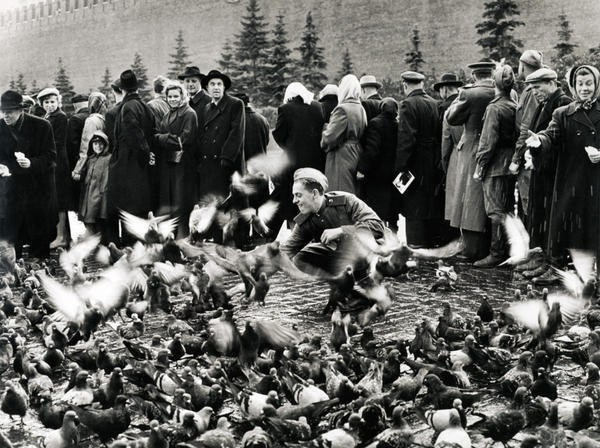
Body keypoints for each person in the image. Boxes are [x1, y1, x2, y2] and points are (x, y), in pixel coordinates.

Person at [526, 65, 600, 283]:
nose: (585, 88)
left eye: (589, 84)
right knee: (567, 224)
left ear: (597, 85)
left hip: (597, 181)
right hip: (572, 178)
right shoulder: (563, 114)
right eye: (580, 84)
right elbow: (551, 135)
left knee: (595, 226)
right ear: (573, 86)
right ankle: (561, 270)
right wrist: (539, 141)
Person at [280, 167, 384, 278]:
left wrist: (341, 230)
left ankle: (375, 268)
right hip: (343, 257)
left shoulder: (346, 201)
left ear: (314, 194)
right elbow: (287, 249)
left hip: (369, 250)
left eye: (298, 195)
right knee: (301, 258)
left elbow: (377, 227)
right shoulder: (305, 220)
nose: (294, 200)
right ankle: (344, 274)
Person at [519, 68, 572, 277]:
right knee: (540, 215)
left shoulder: (562, 103)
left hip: (554, 172)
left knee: (552, 218)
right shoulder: (545, 104)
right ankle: (541, 257)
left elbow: (560, 141)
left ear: (552, 83)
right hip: (542, 169)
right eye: (531, 89)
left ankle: (554, 263)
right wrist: (531, 154)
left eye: (537, 87)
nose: (535, 92)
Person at [446, 61, 496, 261]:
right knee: (491, 199)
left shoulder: (469, 94)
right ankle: (492, 247)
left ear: (474, 75)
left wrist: (459, 98)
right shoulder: (503, 91)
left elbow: (452, 118)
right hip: (496, 150)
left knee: (469, 199)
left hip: (472, 148)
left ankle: (472, 249)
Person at [0, 90, 57, 258]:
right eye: (3, 112)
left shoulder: (41, 126)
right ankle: (14, 265)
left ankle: (40, 265)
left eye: (9, 112)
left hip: (38, 185)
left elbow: (51, 156)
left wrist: (32, 163)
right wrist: (2, 166)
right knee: (12, 229)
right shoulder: (0, 127)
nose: (5, 115)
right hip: (12, 186)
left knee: (39, 229)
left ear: (21, 110)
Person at [473, 65, 518, 267]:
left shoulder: (494, 108)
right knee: (507, 208)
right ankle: (508, 249)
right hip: (510, 163)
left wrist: (480, 165)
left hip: (495, 164)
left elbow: (487, 141)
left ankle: (497, 252)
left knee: (495, 210)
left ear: (495, 84)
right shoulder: (514, 105)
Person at [106, 70, 157, 245]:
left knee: (128, 209)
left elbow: (134, 136)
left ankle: (130, 249)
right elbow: (151, 134)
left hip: (128, 166)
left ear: (122, 89)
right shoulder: (145, 106)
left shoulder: (127, 108)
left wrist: (143, 156)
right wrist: (148, 155)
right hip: (140, 167)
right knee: (139, 209)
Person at [395, 70, 443, 248]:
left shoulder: (408, 104)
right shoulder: (434, 103)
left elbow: (406, 140)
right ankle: (431, 242)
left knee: (413, 203)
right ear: (422, 85)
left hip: (415, 162)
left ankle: (416, 244)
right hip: (433, 161)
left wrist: (400, 167)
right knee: (430, 201)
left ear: (405, 85)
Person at [271, 82, 326, 232]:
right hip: (316, 161)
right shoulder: (317, 107)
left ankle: (295, 232)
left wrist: (289, 147)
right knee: (312, 195)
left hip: (294, 163)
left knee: (293, 198)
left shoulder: (285, 109)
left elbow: (278, 134)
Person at [196, 69, 245, 199]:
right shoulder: (206, 108)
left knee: (230, 205)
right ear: (207, 88)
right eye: (212, 84)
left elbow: (237, 133)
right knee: (212, 205)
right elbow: (203, 136)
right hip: (209, 165)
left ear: (224, 87)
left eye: (219, 84)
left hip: (226, 165)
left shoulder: (235, 104)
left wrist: (226, 158)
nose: (216, 87)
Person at [154, 81, 197, 229]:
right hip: (169, 164)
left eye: (175, 96)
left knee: (181, 203)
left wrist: (161, 138)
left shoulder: (189, 113)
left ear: (182, 96)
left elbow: (183, 140)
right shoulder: (167, 114)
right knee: (169, 201)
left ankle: (183, 237)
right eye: (170, 96)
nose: (172, 99)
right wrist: (165, 138)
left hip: (183, 165)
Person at [509, 50, 544, 222]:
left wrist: (516, 159)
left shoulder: (531, 91)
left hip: (529, 154)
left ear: (523, 66)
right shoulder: (533, 89)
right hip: (533, 152)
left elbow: (526, 129)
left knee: (529, 202)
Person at [322, 74, 367, 195]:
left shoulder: (341, 109)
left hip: (341, 156)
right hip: (356, 152)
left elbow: (329, 138)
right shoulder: (360, 108)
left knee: (338, 194)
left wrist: (325, 128)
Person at [358, 97, 400, 226]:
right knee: (392, 209)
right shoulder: (398, 125)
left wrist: (362, 169)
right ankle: (393, 235)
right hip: (394, 173)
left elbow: (372, 149)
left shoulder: (375, 123)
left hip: (377, 174)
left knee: (377, 209)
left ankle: (379, 238)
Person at [38, 87, 70, 249]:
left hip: (58, 163)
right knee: (53, 200)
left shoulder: (60, 117)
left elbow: (57, 142)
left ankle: (61, 236)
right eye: (46, 102)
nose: (50, 105)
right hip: (51, 162)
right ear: (42, 104)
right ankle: (59, 235)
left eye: (52, 102)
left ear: (58, 102)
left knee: (60, 201)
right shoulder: (47, 117)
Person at [435, 74, 464, 242]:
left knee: (452, 201)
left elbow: (444, 141)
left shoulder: (445, 108)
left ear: (444, 89)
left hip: (454, 156)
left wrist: (444, 164)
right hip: (472, 154)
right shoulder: (468, 104)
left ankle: (452, 239)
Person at [78, 131, 111, 243]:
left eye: (101, 144)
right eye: (95, 144)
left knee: (99, 218)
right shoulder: (90, 159)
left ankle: (101, 242)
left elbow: (106, 178)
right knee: (88, 219)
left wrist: (103, 191)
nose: (98, 146)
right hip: (89, 194)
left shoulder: (108, 159)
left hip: (100, 195)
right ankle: (92, 241)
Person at [72, 92, 107, 181]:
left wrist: (77, 170)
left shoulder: (91, 121)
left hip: (92, 164)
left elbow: (85, 146)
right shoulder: (105, 119)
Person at [66, 93, 89, 211]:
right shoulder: (97, 116)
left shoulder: (75, 119)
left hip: (79, 164)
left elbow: (72, 145)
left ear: (75, 106)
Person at [234, 93, 269, 161]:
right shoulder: (263, 119)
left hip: (242, 166)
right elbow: (266, 141)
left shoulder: (234, 121)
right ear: (248, 103)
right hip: (261, 164)